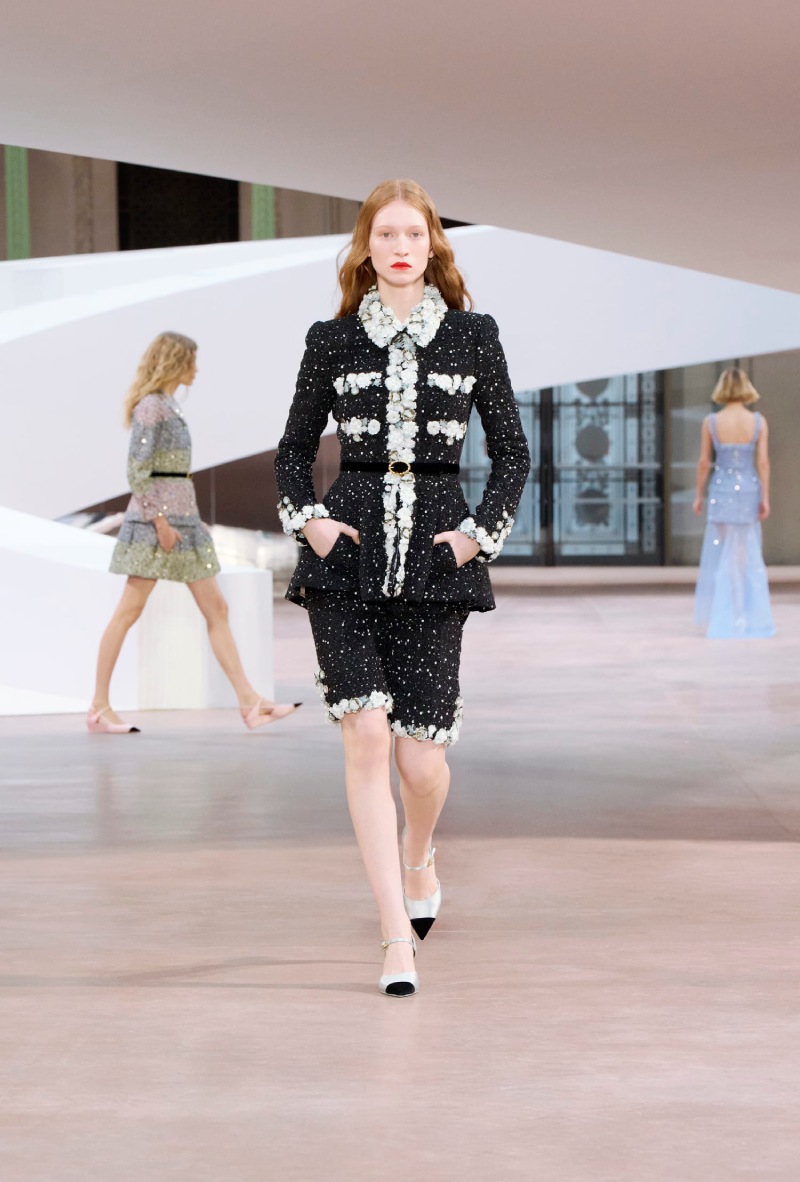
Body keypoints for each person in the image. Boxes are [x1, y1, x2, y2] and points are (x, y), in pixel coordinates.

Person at [275, 179, 530, 995]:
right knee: (366, 736)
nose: (399, 247)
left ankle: (419, 852)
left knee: (421, 763)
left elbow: (513, 452)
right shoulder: (332, 339)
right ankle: (394, 937)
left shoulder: (473, 335)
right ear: (367, 246)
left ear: (432, 246)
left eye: (413, 234)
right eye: (385, 234)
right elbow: (292, 452)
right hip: (345, 557)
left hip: (435, 558)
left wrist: (475, 536)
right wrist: (312, 522)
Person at [88, 331, 300, 733]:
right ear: (175, 362)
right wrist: (161, 523)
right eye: (191, 361)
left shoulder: (168, 405)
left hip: (183, 522)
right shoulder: (152, 406)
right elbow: (138, 471)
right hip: (155, 526)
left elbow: (172, 475)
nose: (196, 369)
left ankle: (250, 702)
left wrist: (187, 516)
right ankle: (98, 707)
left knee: (217, 609)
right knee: (128, 612)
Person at [693, 366, 775, 638]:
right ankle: (743, 612)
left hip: (722, 490)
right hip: (749, 489)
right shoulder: (758, 421)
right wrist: (765, 497)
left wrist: (698, 495)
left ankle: (732, 611)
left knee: (728, 553)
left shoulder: (711, 422)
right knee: (743, 553)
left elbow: (704, 462)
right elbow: (763, 462)